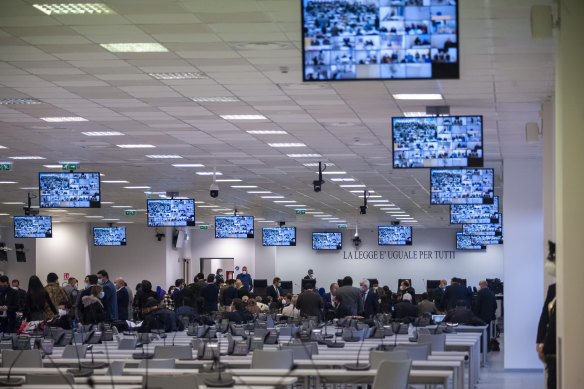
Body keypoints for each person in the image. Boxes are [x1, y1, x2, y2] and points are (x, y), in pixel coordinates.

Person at [537, 240, 557, 389]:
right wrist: (540, 342)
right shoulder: (553, 289)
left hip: (554, 350)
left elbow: (555, 322)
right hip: (550, 350)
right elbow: (545, 317)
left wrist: (546, 346)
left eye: (552, 258)